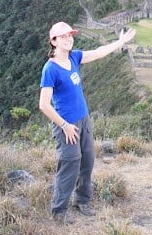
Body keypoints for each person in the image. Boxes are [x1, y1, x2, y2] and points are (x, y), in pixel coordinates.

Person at [38, 21, 136, 223]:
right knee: (70, 164)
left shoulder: (74, 57)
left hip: (84, 119)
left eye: (70, 35)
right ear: (53, 41)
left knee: (87, 161)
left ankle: (82, 200)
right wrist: (64, 126)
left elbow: (99, 52)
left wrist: (120, 42)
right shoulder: (50, 69)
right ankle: (59, 211)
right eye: (63, 37)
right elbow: (44, 105)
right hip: (66, 125)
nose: (68, 39)